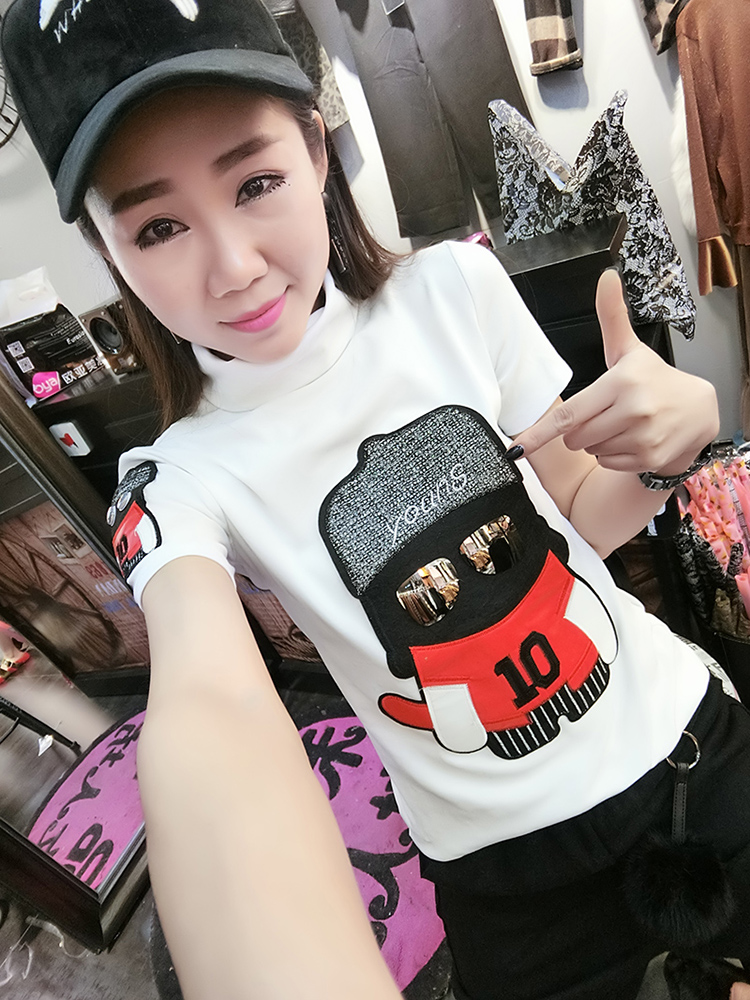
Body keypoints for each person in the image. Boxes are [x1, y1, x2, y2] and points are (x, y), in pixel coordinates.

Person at [2, 1, 748, 999]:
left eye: (256, 182)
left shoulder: (456, 289)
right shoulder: (176, 480)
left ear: (315, 149)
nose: (235, 269)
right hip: (508, 883)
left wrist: (668, 451)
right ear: (109, 251)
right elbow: (211, 710)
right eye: (160, 227)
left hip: (691, 753)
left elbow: (575, 515)